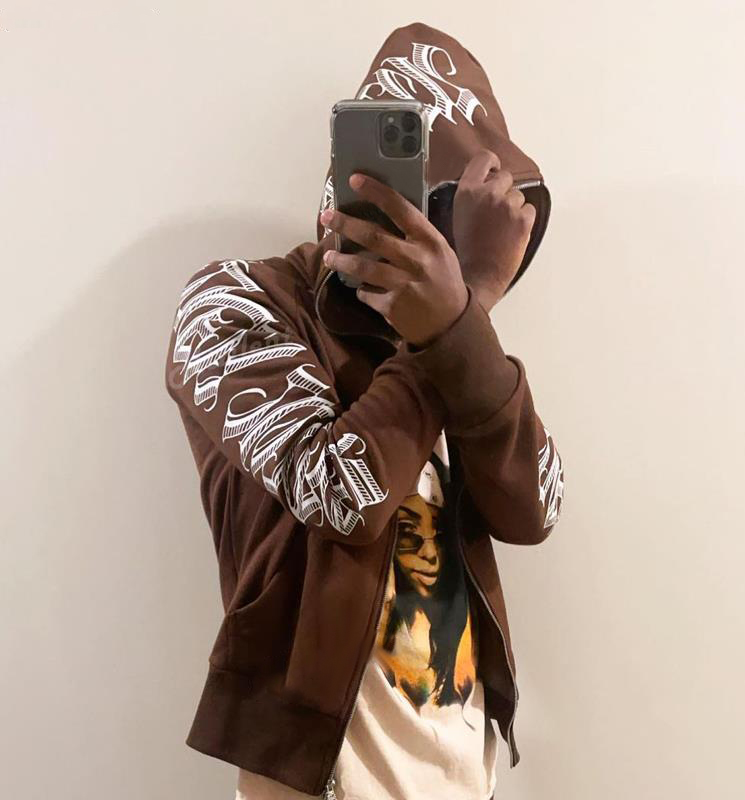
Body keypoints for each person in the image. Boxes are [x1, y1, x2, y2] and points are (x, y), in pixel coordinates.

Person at [165, 21, 565, 800]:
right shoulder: (236, 303)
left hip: (466, 776)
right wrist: (464, 310)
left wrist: (459, 328)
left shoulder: (452, 344)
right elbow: (339, 495)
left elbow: (536, 507)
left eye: (449, 217)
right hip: (319, 782)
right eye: (420, 201)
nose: (429, 235)